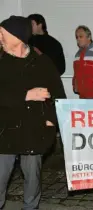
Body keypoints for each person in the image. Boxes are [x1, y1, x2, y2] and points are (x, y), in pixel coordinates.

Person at [0, 15, 66, 210]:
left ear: (17, 36)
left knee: (33, 178)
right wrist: (25, 95)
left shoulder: (42, 62)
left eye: (2, 33)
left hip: (34, 129)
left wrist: (51, 121)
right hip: (5, 131)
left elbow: (58, 95)